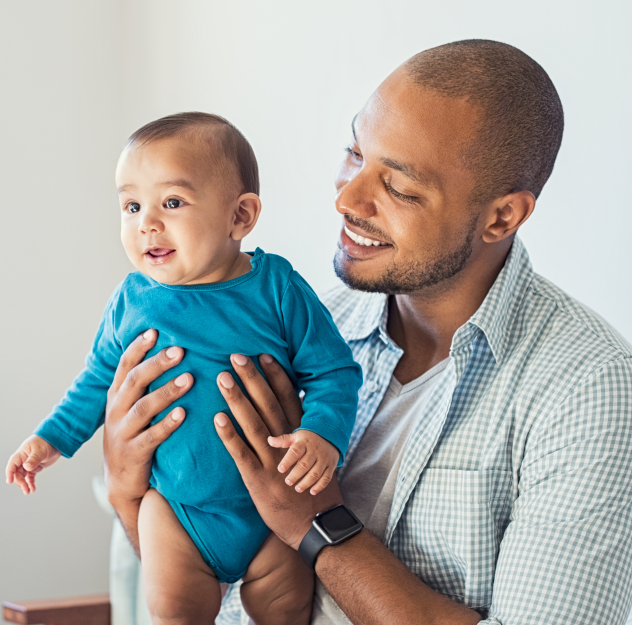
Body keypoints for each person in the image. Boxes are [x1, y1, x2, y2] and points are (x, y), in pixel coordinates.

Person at [103, 40, 632, 625]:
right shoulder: (299, 332)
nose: (347, 198)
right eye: (355, 152)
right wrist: (130, 492)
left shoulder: (587, 387)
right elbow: (208, 576)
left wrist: (318, 524)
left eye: (400, 188)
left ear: (501, 216)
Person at [5, 112, 363, 625]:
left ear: (240, 216)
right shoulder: (132, 300)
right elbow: (97, 381)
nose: (146, 222)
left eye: (171, 202)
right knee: (174, 611)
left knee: (283, 610)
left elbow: (333, 373)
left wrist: (322, 436)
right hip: (176, 512)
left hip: (274, 515)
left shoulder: (277, 287)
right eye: (131, 205)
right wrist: (49, 440)